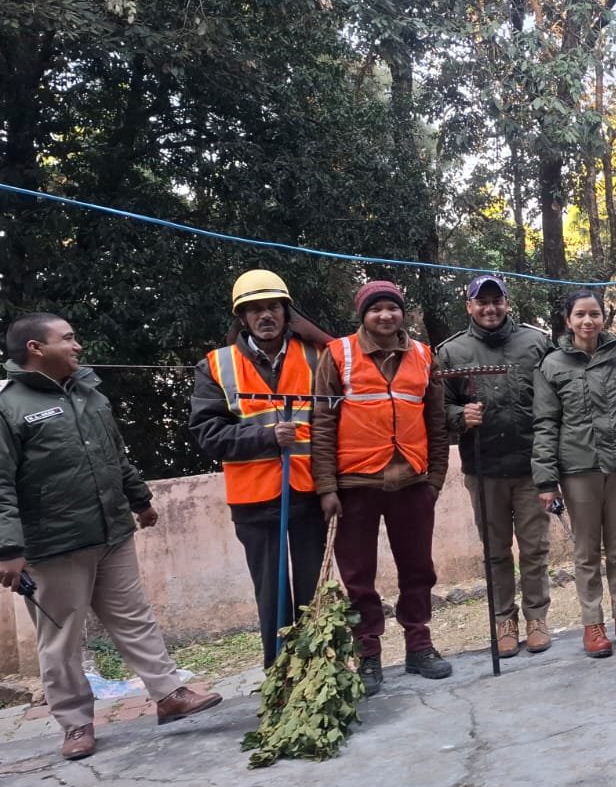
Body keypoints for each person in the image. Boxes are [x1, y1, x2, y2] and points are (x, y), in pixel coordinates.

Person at [1, 314, 221, 760]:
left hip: (112, 531)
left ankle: (169, 694)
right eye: (68, 339)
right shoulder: (9, 406)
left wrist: (140, 500)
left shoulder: (89, 392)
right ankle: (75, 724)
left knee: (134, 617)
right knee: (61, 638)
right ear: (36, 348)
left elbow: (114, 455)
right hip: (54, 544)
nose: (77, 346)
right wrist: (8, 548)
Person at [311, 280, 451, 695]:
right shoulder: (338, 354)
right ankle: (368, 652)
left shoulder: (423, 355)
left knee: (418, 569)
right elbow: (322, 422)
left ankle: (419, 645)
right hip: (355, 484)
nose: (385, 315)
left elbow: (436, 421)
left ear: (402, 313)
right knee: (358, 575)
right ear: (363, 315)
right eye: (376, 309)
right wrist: (326, 486)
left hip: (412, 481)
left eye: (392, 307)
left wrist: (435, 479)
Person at [189, 270, 334, 668]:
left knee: (314, 591)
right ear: (242, 317)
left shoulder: (316, 355)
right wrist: (267, 436)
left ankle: (317, 669)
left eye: (273, 307)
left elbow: (337, 415)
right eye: (254, 309)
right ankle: (280, 673)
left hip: (308, 493)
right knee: (271, 594)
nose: (265, 315)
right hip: (254, 499)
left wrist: (330, 487)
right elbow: (208, 434)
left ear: (287, 313)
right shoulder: (216, 365)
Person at [436, 274, 554, 658]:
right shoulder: (452, 352)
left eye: (496, 300)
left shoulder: (536, 343)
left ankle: (537, 618)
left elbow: (555, 396)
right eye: (482, 301)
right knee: (496, 552)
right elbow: (438, 406)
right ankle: (504, 621)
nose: (490, 308)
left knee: (535, 548)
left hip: (531, 467)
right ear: (469, 306)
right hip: (484, 469)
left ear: (507, 303)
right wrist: (459, 416)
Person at [532, 289, 616, 657]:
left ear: (603, 317)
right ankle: (592, 623)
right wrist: (546, 480)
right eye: (580, 314)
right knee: (586, 551)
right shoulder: (553, 365)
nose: (587, 321)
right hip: (578, 468)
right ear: (568, 320)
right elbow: (545, 424)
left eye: (594, 313)